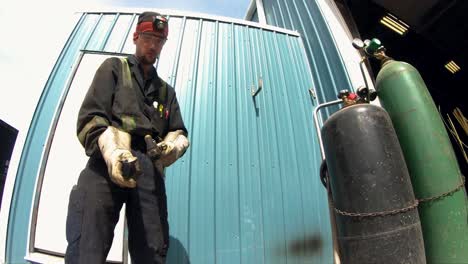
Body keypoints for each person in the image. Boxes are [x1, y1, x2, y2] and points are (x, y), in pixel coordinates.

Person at [65, 11, 189, 264]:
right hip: (107, 158)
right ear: (135, 37)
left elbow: (179, 132)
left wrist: (171, 148)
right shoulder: (113, 68)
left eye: (159, 40)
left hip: (149, 169)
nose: (153, 45)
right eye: (147, 37)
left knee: (152, 248)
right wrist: (113, 152)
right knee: (88, 243)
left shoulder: (167, 91)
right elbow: (91, 118)